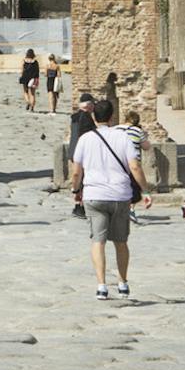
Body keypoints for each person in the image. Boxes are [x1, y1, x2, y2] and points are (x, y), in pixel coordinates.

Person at [70, 98, 145, 299]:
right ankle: (122, 283)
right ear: (112, 116)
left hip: (94, 195)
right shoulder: (123, 138)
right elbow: (135, 166)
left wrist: (75, 189)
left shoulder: (85, 139)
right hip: (120, 195)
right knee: (121, 241)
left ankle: (101, 285)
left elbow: (76, 171)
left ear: (94, 116)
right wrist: (145, 191)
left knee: (98, 241)